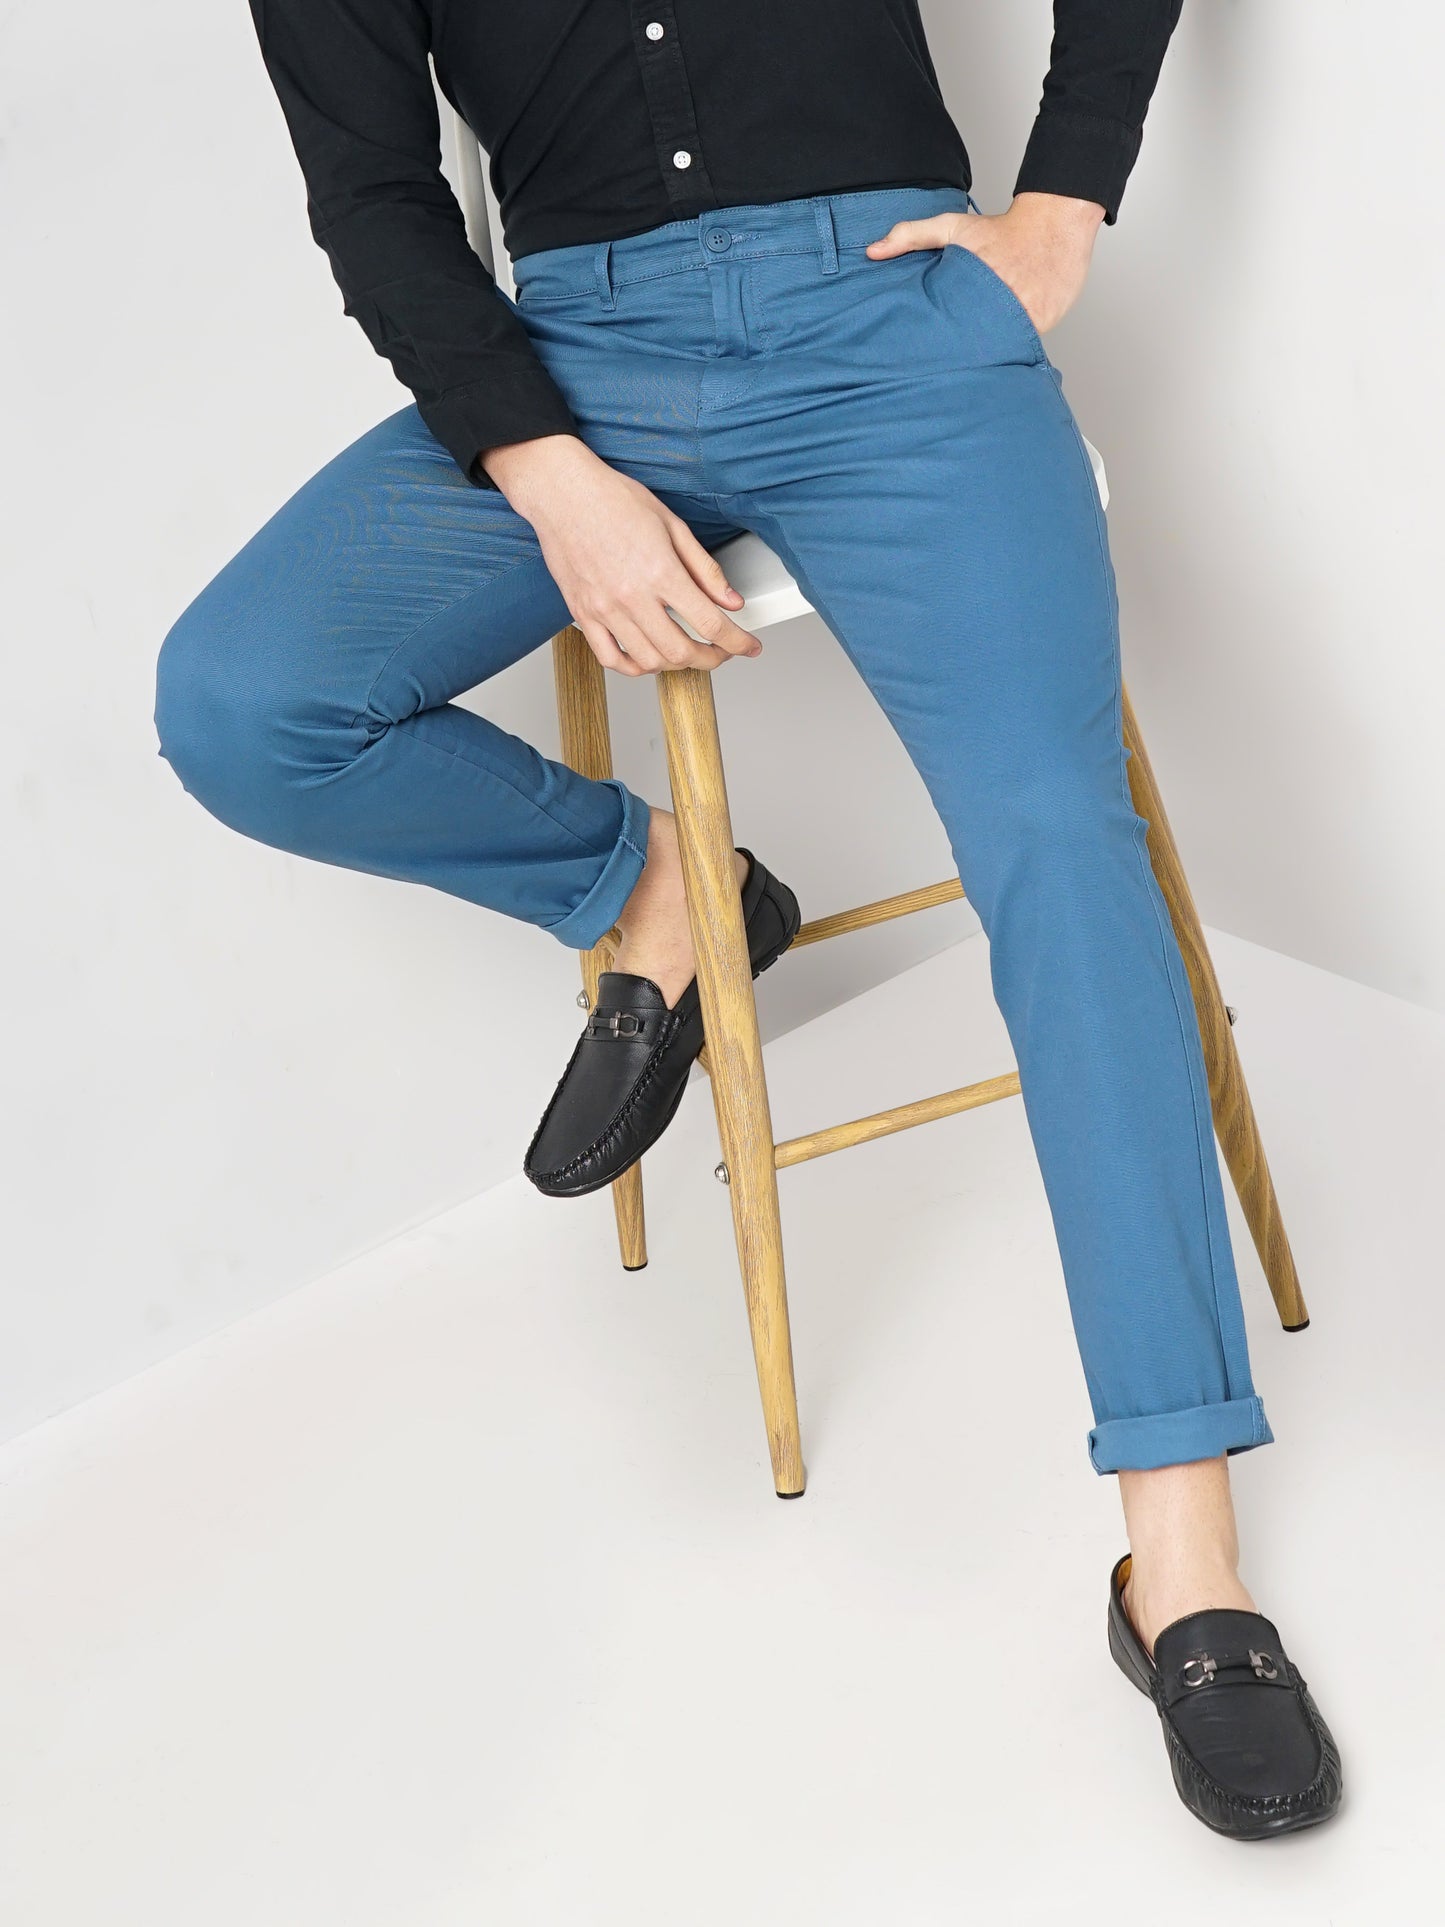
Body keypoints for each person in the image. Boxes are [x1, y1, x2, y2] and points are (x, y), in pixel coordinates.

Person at [153, 1, 1341, 1838]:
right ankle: (662, 887)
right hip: (570, 359)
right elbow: (374, 193)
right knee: (244, 703)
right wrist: (547, 473)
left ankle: (1181, 1562)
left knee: (1057, 843)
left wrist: (1064, 199)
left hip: (890, 323)